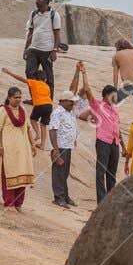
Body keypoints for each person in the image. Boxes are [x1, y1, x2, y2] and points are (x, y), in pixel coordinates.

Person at [46, 65, 90, 207]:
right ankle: (58, 197)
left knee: (64, 172)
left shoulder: (68, 110)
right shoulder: (58, 112)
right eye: (71, 101)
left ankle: (64, 195)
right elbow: (52, 130)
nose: (73, 103)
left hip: (67, 146)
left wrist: (77, 71)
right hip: (60, 147)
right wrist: (56, 150)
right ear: (63, 101)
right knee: (59, 172)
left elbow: (73, 89)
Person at [0, 86, 35, 213]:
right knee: (9, 174)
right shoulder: (3, 110)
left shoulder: (23, 110)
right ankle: (9, 202)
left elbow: (28, 128)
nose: (18, 100)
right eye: (15, 97)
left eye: (20, 97)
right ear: (9, 98)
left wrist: (33, 144)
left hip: (23, 148)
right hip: (8, 148)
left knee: (22, 174)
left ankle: (18, 203)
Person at [86, 78, 123, 202]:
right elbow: (88, 91)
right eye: (113, 95)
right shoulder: (98, 106)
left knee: (112, 174)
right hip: (103, 141)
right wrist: (84, 73)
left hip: (115, 143)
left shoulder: (115, 110)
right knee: (101, 172)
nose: (115, 98)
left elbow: (118, 129)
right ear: (106, 95)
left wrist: (124, 146)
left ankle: (110, 201)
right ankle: (101, 201)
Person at [2, 67, 52, 149]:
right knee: (43, 125)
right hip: (49, 105)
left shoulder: (34, 82)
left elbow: (21, 79)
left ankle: (37, 133)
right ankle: (43, 145)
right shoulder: (47, 86)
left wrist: (9, 72)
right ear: (45, 79)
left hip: (39, 104)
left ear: (36, 78)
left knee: (32, 119)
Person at [23, 0, 62, 92]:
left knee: (49, 77)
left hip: (47, 51)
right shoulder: (33, 14)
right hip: (33, 49)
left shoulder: (54, 15)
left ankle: (48, 100)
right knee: (29, 73)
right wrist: (26, 48)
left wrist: (54, 51)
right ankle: (35, 98)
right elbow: (31, 31)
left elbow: (57, 34)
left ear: (45, 1)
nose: (36, 1)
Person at [110, 39, 133, 109]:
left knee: (112, 101)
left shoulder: (117, 55)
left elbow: (115, 74)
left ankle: (103, 115)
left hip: (129, 83)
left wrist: (115, 89)